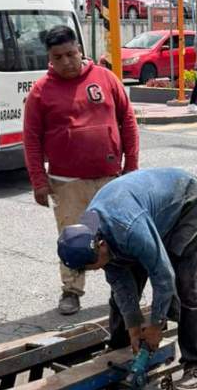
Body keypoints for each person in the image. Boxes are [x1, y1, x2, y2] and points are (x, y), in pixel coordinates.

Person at [56, 168, 197, 390]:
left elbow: (163, 276)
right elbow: (121, 284)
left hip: (185, 201)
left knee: (183, 285)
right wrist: (134, 329)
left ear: (101, 245)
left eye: (94, 265)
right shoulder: (87, 228)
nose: (97, 270)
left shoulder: (128, 229)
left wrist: (156, 326)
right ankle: (120, 345)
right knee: (122, 287)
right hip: (144, 216)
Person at [25, 25, 140, 316]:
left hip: (110, 179)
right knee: (74, 238)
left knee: (118, 236)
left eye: (70, 54)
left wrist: (131, 166)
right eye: (58, 57)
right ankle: (71, 291)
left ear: (80, 50)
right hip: (68, 183)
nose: (66, 61)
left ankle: (125, 290)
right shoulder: (40, 92)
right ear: (50, 58)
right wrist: (38, 181)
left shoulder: (105, 78)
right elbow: (31, 139)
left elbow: (128, 121)